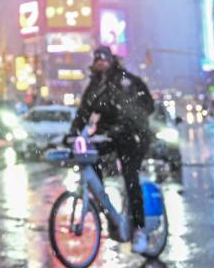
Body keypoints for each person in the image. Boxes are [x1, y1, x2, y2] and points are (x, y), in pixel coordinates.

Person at [65, 46, 154, 254]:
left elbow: (144, 107)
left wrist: (126, 124)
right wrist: (72, 134)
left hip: (133, 135)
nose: (101, 62)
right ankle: (108, 209)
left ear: (112, 60)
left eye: (104, 58)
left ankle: (139, 229)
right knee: (90, 161)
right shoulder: (95, 86)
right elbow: (83, 113)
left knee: (131, 176)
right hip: (109, 136)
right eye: (97, 59)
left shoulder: (125, 81)